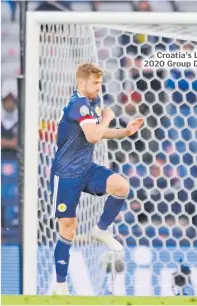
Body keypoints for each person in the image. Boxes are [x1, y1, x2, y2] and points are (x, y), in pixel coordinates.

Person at [50, 63, 144, 295]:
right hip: (66, 174)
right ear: (82, 83)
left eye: (100, 82)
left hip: (86, 169)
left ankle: (101, 230)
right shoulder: (78, 104)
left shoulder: (90, 105)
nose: (99, 86)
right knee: (69, 229)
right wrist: (109, 118)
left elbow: (97, 132)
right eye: (95, 82)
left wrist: (125, 132)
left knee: (121, 185)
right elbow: (94, 136)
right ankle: (60, 286)